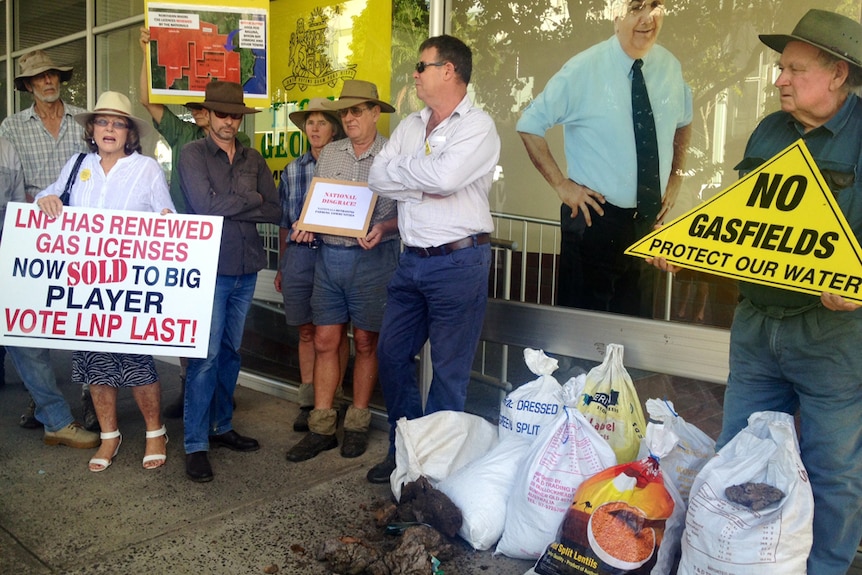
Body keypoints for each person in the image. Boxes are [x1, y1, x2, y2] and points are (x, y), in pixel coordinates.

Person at [648, 10, 862, 574]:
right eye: (779, 67)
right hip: (757, 328)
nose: (779, 80)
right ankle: (738, 563)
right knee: (738, 458)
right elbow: (739, 225)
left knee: (833, 471)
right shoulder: (769, 132)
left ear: (838, 73)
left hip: (833, 340)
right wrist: (685, 255)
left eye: (793, 68)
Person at [366, 35, 501, 483]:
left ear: (449, 70)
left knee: (447, 372)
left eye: (422, 66)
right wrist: (421, 176)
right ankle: (405, 451)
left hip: (458, 264)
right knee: (391, 353)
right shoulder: (409, 125)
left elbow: (445, 178)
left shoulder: (477, 126)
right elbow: (377, 176)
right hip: (412, 261)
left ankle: (432, 471)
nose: (415, 75)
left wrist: (409, 174)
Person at [516, 0, 691, 316]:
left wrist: (677, 173)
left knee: (635, 340)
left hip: (647, 222)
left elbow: (684, 121)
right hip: (593, 219)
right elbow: (529, 125)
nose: (647, 17)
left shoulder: (670, 66)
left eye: (655, 5)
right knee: (583, 341)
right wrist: (561, 185)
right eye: (636, 7)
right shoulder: (584, 69)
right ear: (615, 14)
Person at [34, 92, 173, 471]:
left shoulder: (146, 168)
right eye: (103, 122)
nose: (110, 129)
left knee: (137, 362)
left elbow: (167, 214)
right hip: (84, 284)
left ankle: (154, 431)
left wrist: (163, 219)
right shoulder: (77, 163)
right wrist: (46, 201)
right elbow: (51, 195)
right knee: (94, 365)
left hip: (129, 284)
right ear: (92, 130)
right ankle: (109, 437)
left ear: (129, 132)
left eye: (119, 123)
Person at [138, 27, 251, 418]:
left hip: (226, 245)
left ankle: (217, 403)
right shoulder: (183, 135)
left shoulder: (241, 146)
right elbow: (147, 99)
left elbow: (252, 199)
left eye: (221, 111)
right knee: (190, 325)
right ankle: (192, 396)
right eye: (203, 109)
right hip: (187, 241)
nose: (205, 115)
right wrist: (147, 52)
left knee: (220, 337)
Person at [284, 80, 399, 463]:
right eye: (345, 112)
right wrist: (305, 222)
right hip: (329, 258)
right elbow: (320, 202)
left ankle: (357, 424)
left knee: (366, 342)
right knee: (324, 340)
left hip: (372, 260)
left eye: (357, 111)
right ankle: (321, 426)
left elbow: (409, 210)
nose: (349, 118)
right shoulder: (330, 153)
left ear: (374, 113)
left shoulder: (393, 153)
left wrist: (385, 227)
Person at [178, 81, 281, 483]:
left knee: (231, 352)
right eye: (222, 114)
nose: (229, 121)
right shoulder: (192, 154)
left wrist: (242, 205)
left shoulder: (252, 157)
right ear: (207, 117)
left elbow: (274, 209)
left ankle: (221, 427)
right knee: (204, 358)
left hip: (246, 267)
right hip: (209, 269)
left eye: (235, 115)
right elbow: (204, 207)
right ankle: (194, 444)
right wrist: (251, 200)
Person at [0, 49, 96, 430]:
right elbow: (10, 184)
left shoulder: (82, 120)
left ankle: (92, 394)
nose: (48, 81)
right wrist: (32, 210)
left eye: (53, 74)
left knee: (86, 314)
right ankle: (39, 399)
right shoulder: (11, 127)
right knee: (35, 317)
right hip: (32, 230)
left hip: (81, 229)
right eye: (40, 77)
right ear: (27, 85)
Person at [273, 98, 349, 433]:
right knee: (306, 328)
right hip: (300, 255)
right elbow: (284, 223)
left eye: (322, 122)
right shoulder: (292, 169)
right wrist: (282, 264)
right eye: (310, 122)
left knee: (332, 329)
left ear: (334, 129)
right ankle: (308, 399)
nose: (314, 128)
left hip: (333, 251)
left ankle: (333, 397)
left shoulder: (345, 167)